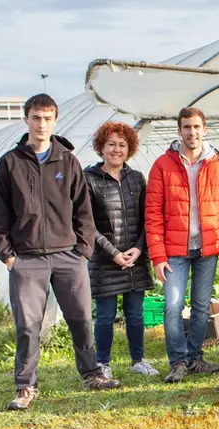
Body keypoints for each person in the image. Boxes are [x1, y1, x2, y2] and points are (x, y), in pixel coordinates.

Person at [0, 94, 120, 411]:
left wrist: (82, 251)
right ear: (26, 120)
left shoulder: (67, 161)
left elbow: (84, 212)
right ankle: (25, 386)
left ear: (55, 121)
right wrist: (8, 255)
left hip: (68, 257)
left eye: (48, 118)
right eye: (36, 118)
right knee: (28, 325)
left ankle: (91, 374)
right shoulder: (10, 164)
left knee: (79, 318)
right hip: (27, 258)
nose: (42, 124)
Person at [145, 107, 219, 383]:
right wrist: (158, 256)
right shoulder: (163, 165)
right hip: (174, 251)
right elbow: (153, 213)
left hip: (207, 249)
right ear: (179, 130)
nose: (192, 132)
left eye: (197, 127)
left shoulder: (217, 165)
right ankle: (177, 362)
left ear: (204, 129)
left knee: (200, 306)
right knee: (173, 306)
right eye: (187, 127)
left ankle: (195, 358)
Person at [84, 121, 158, 379]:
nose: (116, 150)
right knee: (105, 314)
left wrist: (138, 249)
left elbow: (147, 218)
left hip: (134, 258)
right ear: (101, 148)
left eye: (122, 145)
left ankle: (138, 359)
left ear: (129, 149)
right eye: (111, 144)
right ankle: (102, 363)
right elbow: (87, 225)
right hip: (105, 260)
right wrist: (113, 253)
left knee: (135, 313)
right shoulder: (89, 180)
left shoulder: (136, 179)